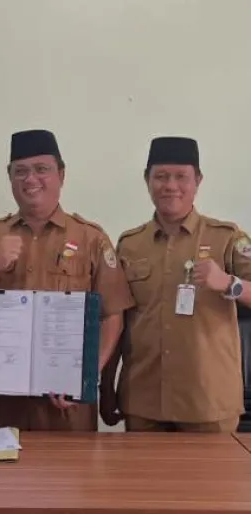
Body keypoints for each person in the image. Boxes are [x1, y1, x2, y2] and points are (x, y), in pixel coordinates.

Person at [0, 129, 134, 431]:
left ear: (61, 175)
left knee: (70, 464)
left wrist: (86, 376)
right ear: (10, 176)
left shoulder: (91, 238)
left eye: (42, 169)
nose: (31, 179)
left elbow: (112, 316)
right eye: (21, 171)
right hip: (3, 404)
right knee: (0, 462)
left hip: (66, 407)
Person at [104, 136, 251, 433]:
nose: (170, 185)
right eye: (161, 176)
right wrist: (105, 387)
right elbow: (117, 319)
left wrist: (229, 283)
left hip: (207, 402)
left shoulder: (226, 237)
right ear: (147, 180)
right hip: (143, 400)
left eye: (181, 176)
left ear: (198, 181)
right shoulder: (130, 244)